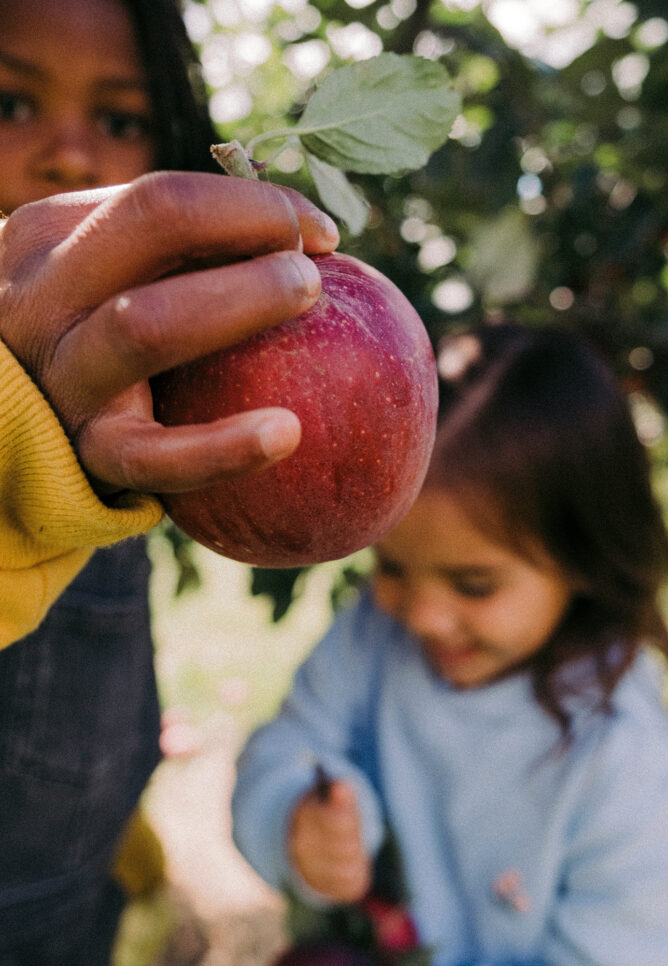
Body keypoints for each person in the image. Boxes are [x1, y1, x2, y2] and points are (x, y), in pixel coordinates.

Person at [0, 0, 338, 962]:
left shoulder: (149, 396)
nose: (70, 157)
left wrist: (127, 861)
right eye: (9, 102)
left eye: (119, 121)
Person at [232, 322, 668, 966]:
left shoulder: (624, 770)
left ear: (582, 555)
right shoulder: (372, 636)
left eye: (474, 585)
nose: (424, 617)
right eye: (391, 567)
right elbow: (290, 742)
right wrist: (291, 819)